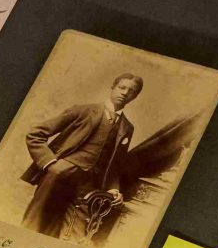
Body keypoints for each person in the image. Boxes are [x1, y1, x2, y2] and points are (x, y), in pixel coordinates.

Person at [21, 72, 143, 239]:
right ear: (113, 87)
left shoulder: (127, 127)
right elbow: (35, 134)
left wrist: (114, 189)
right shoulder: (83, 110)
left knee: (73, 234)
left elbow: (114, 165)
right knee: (34, 223)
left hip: (89, 187)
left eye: (131, 91)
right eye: (122, 87)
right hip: (59, 175)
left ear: (135, 97)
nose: (125, 93)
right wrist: (51, 164)